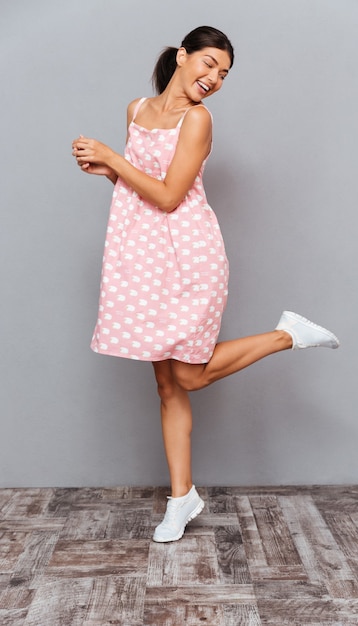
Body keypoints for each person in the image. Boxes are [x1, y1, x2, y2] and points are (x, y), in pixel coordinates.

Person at [72, 25, 339, 543]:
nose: (214, 78)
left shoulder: (198, 119)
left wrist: (113, 158)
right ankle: (181, 498)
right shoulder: (136, 110)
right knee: (166, 384)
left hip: (189, 255)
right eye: (209, 64)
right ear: (182, 56)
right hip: (142, 256)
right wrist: (102, 168)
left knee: (190, 376)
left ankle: (286, 334)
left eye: (224, 73)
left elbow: (171, 196)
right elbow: (137, 185)